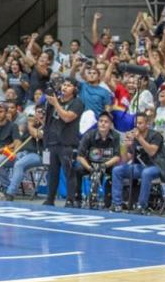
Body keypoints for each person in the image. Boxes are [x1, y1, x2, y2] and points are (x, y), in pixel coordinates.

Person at [111, 113, 165, 214]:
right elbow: (125, 159)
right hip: (141, 167)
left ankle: (142, 206)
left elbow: (152, 152)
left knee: (146, 173)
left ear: (147, 124)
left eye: (140, 123)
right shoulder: (134, 137)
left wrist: (140, 138)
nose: (137, 126)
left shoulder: (156, 135)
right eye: (136, 123)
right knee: (117, 170)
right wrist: (125, 145)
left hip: (158, 166)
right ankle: (117, 204)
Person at [42, 78, 84, 207]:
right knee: (52, 173)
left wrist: (55, 103)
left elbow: (67, 118)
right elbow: (47, 121)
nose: (65, 87)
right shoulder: (54, 101)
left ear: (75, 89)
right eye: (64, 85)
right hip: (52, 142)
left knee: (69, 173)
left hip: (67, 143)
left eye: (69, 85)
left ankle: (70, 200)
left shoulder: (77, 102)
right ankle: (50, 199)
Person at [74, 111, 121, 208]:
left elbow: (117, 157)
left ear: (110, 125)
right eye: (101, 121)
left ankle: (111, 201)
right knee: (77, 168)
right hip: (90, 164)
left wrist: (104, 166)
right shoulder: (89, 135)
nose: (103, 123)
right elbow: (79, 156)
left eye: (106, 122)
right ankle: (77, 198)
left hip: (107, 165)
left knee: (116, 171)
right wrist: (89, 168)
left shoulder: (116, 136)